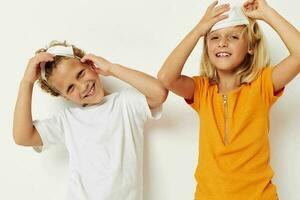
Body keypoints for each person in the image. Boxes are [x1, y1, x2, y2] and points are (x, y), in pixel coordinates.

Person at [157, 0, 300, 199]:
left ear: (250, 46)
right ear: (207, 47)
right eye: (214, 37)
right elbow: (166, 77)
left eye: (233, 36)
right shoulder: (201, 91)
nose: (222, 42)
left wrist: (267, 13)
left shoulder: (262, 85)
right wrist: (199, 30)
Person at [13, 41, 167, 200]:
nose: (82, 87)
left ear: (90, 64)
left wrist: (111, 68)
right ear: (64, 96)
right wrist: (27, 83)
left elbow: (159, 93)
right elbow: (22, 137)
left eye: (80, 74)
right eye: (70, 88)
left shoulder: (125, 104)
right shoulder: (68, 122)